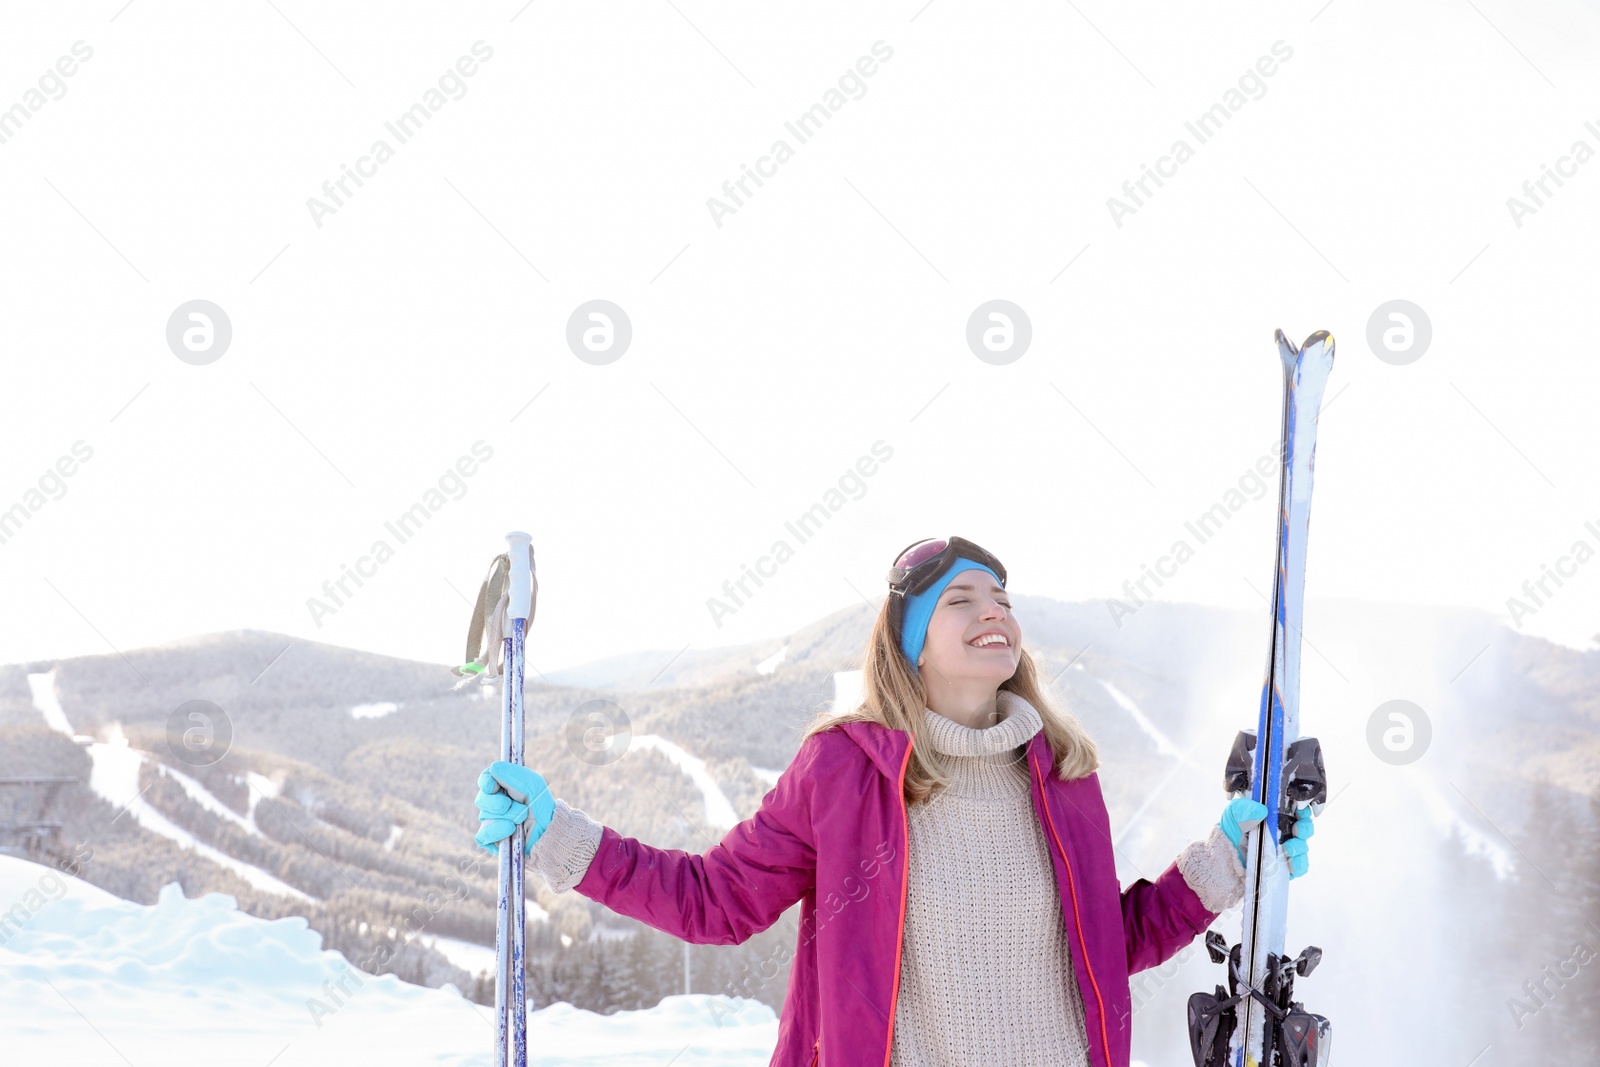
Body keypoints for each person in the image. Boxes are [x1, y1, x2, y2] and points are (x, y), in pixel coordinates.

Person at [472, 535, 1313, 1067]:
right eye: (962, 600)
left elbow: (1099, 948)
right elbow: (717, 901)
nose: (996, 613)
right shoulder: (845, 770)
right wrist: (561, 837)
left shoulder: (1062, 774)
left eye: (1003, 601)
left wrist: (1224, 862)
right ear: (910, 643)